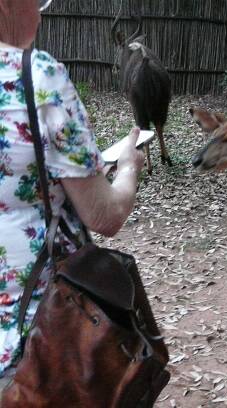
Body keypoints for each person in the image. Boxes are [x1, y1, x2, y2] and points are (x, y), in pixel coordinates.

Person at [0, 0, 144, 387]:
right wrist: (128, 167)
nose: (40, 11)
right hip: (37, 345)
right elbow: (104, 215)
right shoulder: (37, 77)